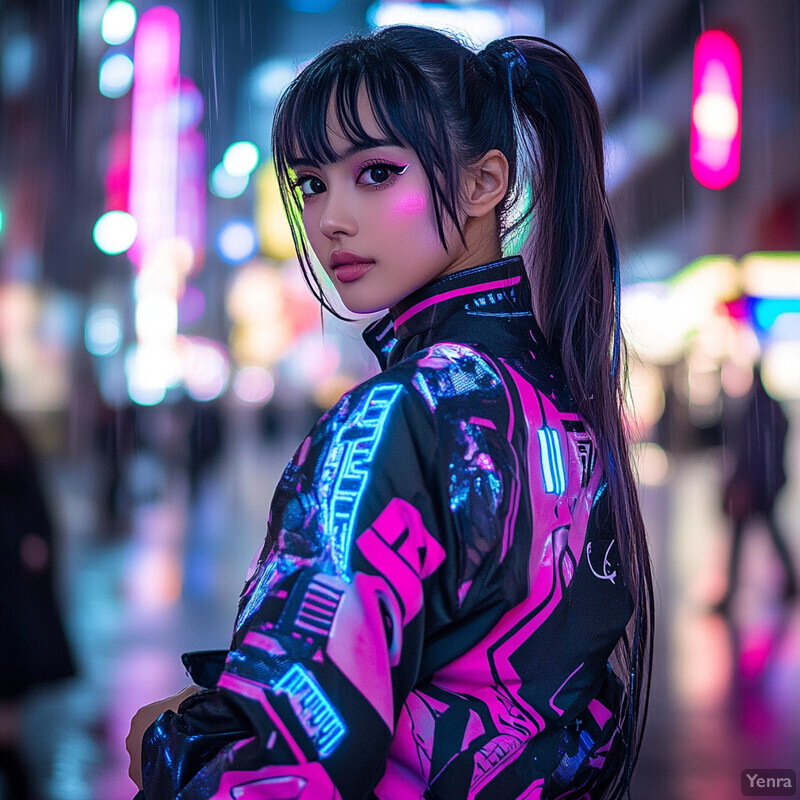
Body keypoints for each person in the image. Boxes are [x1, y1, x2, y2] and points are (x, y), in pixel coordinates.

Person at [127, 25, 653, 799]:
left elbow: (293, 770)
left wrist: (169, 746)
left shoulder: (398, 416)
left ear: (484, 184)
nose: (331, 216)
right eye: (310, 182)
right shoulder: (557, 397)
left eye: (374, 172)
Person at [714, 365, 797, 613]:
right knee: (765, 533)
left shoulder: (758, 409)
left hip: (755, 487)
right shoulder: (769, 408)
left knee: (747, 537)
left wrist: (744, 480)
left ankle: (731, 595)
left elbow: (752, 451)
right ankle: (790, 583)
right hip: (764, 485)